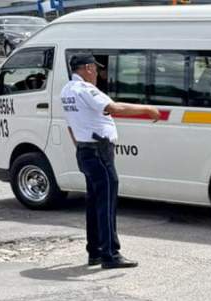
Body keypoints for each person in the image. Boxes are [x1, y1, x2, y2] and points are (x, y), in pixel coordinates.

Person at [60, 54, 160, 269]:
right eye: (95, 69)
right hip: (98, 152)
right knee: (106, 203)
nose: (97, 74)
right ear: (88, 68)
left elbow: (70, 126)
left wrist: (82, 147)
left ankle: (95, 251)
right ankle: (110, 254)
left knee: (94, 203)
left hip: (85, 150)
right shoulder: (86, 90)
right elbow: (114, 108)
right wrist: (147, 109)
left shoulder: (66, 90)